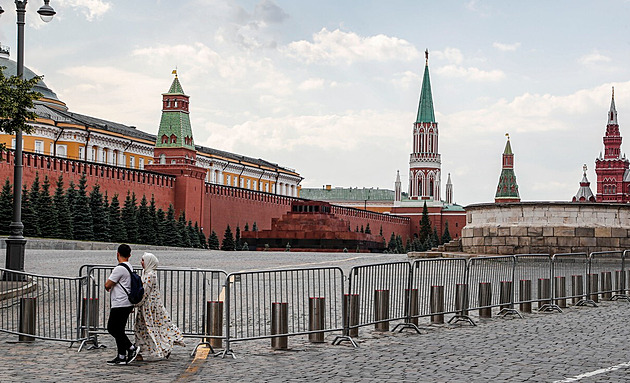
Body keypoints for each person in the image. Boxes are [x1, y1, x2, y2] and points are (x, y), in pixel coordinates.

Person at [134, 252, 185, 360]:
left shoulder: (149, 275)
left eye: (143, 260)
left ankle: (162, 347)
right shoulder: (146, 272)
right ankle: (142, 351)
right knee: (144, 329)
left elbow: (145, 293)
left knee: (150, 329)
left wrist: (135, 304)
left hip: (149, 308)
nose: (141, 262)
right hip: (148, 307)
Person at [105, 244, 140, 365]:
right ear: (129, 255)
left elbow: (107, 285)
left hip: (120, 303)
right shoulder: (129, 267)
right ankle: (121, 356)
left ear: (117, 254)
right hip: (127, 302)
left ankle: (131, 348)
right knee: (119, 330)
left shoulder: (119, 268)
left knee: (112, 328)